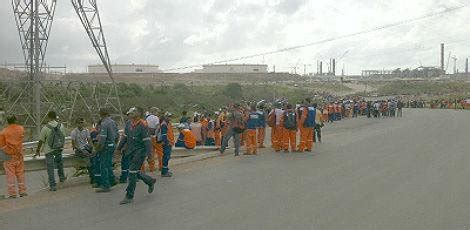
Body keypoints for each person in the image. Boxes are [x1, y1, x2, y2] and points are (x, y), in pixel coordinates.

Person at [116, 107, 157, 205]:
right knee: (135, 172)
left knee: (131, 173)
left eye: (132, 113)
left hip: (140, 152)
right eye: (129, 113)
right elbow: (124, 137)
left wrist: (150, 156)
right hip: (130, 151)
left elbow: (147, 142)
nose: (130, 115)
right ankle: (150, 181)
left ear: (138, 113)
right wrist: (118, 148)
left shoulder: (143, 125)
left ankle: (129, 196)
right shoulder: (128, 124)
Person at [36, 111, 66, 191]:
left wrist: (38, 150)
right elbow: (63, 137)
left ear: (48, 117)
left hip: (49, 150)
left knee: (50, 167)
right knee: (60, 164)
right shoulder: (61, 126)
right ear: (56, 116)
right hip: (58, 148)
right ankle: (62, 178)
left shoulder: (46, 127)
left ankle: (53, 185)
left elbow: (41, 140)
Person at [0, 115, 27, 198]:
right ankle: (22, 191)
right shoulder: (21, 129)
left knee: (10, 174)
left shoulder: (3, 132)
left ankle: (12, 193)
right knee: (20, 173)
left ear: (7, 121)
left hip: (8, 156)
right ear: (15, 120)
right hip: (19, 154)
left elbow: (1, 145)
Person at [95, 108, 119, 193]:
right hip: (112, 144)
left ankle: (106, 185)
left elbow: (102, 139)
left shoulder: (104, 124)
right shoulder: (113, 122)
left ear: (101, 115)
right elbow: (117, 135)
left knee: (103, 166)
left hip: (106, 146)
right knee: (108, 164)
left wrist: (98, 148)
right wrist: (115, 144)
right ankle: (112, 180)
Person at [70, 118, 93, 182]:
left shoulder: (86, 130)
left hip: (86, 147)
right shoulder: (74, 132)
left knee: (93, 154)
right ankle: (91, 175)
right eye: (79, 123)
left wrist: (92, 147)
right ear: (77, 124)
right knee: (88, 157)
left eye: (82, 122)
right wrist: (79, 149)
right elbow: (74, 145)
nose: (81, 124)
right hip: (79, 149)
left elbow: (89, 140)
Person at [158, 112, 175, 177]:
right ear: (165, 117)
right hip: (167, 143)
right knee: (166, 157)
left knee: (167, 157)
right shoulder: (164, 124)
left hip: (169, 142)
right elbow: (164, 135)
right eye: (168, 116)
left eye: (170, 116)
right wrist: (166, 142)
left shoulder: (168, 123)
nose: (170, 118)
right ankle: (164, 172)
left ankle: (165, 170)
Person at [145, 107, 160, 172]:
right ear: (155, 111)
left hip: (148, 136)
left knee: (151, 153)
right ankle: (161, 166)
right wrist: (155, 135)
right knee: (159, 152)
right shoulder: (156, 118)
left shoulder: (147, 118)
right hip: (155, 137)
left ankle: (151, 168)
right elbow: (158, 127)